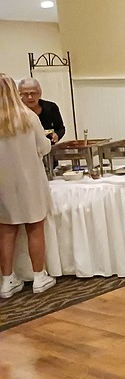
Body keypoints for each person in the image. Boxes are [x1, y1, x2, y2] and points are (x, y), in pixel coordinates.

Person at [0, 74, 56, 298]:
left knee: (5, 230)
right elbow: (43, 147)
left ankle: (6, 280)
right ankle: (39, 277)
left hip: (3, 183)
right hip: (30, 179)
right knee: (35, 228)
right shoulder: (28, 117)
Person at [18, 78, 65, 144]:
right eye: (25, 94)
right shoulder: (16, 111)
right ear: (20, 95)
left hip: (48, 146)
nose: (30, 97)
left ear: (39, 94)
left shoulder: (51, 107)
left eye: (33, 93)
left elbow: (60, 128)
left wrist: (57, 135)